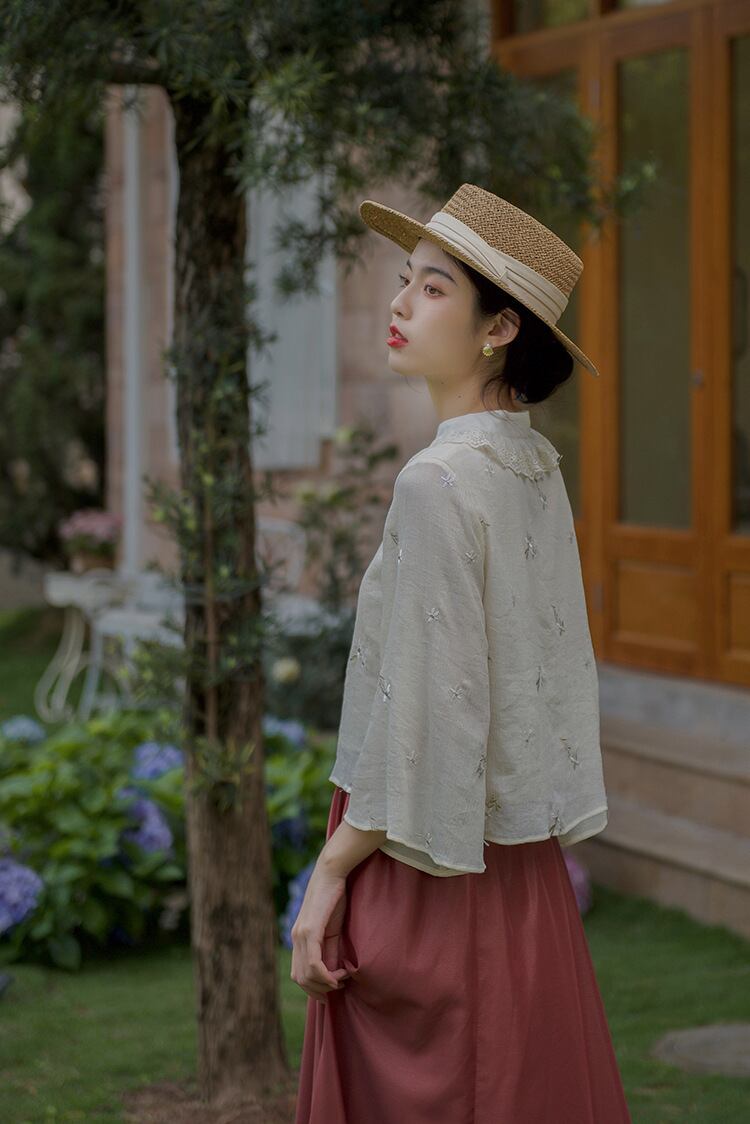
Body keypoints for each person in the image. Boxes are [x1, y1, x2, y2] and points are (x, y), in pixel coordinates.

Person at [291, 183, 631, 1123]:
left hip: (425, 855)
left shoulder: (438, 480)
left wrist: (331, 871)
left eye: (434, 288)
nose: (401, 302)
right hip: (517, 864)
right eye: (407, 279)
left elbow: (433, 712)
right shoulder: (531, 466)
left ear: (499, 329)